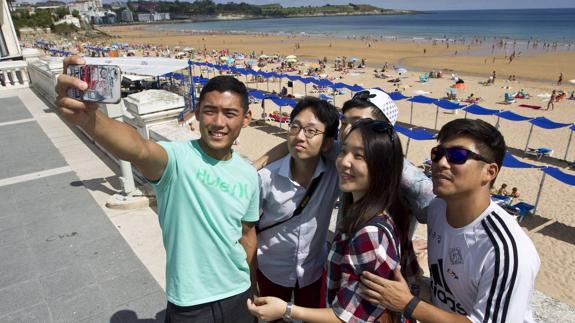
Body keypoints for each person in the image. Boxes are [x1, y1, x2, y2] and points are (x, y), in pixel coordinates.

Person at [56, 57, 259, 323]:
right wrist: (89, 119)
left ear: (246, 119)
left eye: (230, 113)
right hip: (190, 301)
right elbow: (139, 147)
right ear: (196, 112)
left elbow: (247, 235)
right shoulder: (175, 159)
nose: (219, 122)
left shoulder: (248, 174)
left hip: (238, 293)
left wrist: (252, 288)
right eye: (210, 110)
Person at [358, 119, 540, 323]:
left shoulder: (506, 250)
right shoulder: (438, 210)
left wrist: (408, 304)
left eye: (457, 156)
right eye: (437, 154)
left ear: (489, 172)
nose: (441, 163)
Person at [248, 119, 419, 322]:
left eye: (359, 156)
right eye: (344, 151)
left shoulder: (370, 234)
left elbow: (349, 317)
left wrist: (286, 310)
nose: (344, 161)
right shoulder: (360, 215)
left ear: (381, 167)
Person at [254, 89, 435, 239]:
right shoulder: (342, 150)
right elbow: (300, 143)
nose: (347, 130)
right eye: (344, 122)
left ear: (383, 128)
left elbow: (437, 215)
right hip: (342, 252)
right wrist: (258, 164)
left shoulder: (407, 175)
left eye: (358, 123)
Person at [256, 97, 340, 312]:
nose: (300, 136)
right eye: (295, 127)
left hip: (313, 270)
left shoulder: (335, 174)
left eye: (311, 131)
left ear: (328, 142)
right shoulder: (266, 177)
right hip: (271, 268)